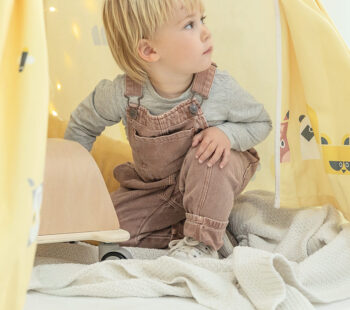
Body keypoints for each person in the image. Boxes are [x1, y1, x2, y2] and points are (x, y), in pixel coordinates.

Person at [64, 0, 272, 259]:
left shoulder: (219, 87)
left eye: (202, 21)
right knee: (106, 228)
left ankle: (201, 245)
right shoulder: (123, 94)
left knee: (206, 158)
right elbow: (82, 125)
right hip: (158, 190)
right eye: (189, 25)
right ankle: (188, 231)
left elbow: (261, 122)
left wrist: (226, 135)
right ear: (149, 50)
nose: (205, 32)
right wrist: (71, 179)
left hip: (214, 174)